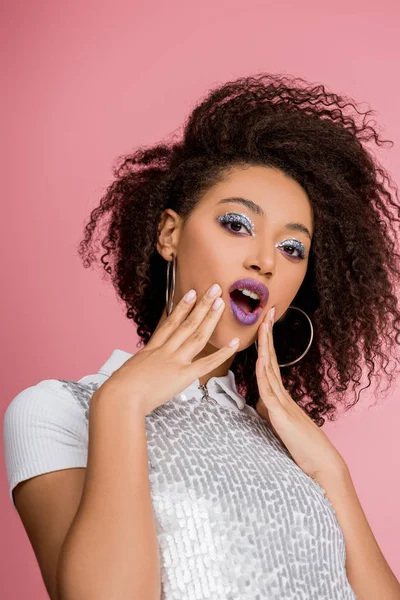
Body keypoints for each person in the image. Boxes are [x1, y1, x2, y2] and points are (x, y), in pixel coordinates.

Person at [4, 73, 400, 600]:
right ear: (170, 234)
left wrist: (331, 470)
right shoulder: (58, 410)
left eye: (292, 249)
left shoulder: (287, 441)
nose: (263, 259)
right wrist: (121, 403)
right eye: (237, 224)